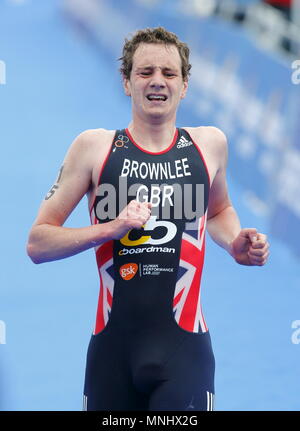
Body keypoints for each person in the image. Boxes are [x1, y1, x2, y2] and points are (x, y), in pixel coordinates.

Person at [26, 27, 270, 411]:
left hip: (184, 351)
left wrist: (235, 241)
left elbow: (219, 210)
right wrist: (112, 227)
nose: (158, 81)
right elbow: (38, 243)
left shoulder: (209, 146)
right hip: (112, 354)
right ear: (126, 82)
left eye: (169, 74)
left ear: (185, 85)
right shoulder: (94, 148)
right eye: (145, 72)